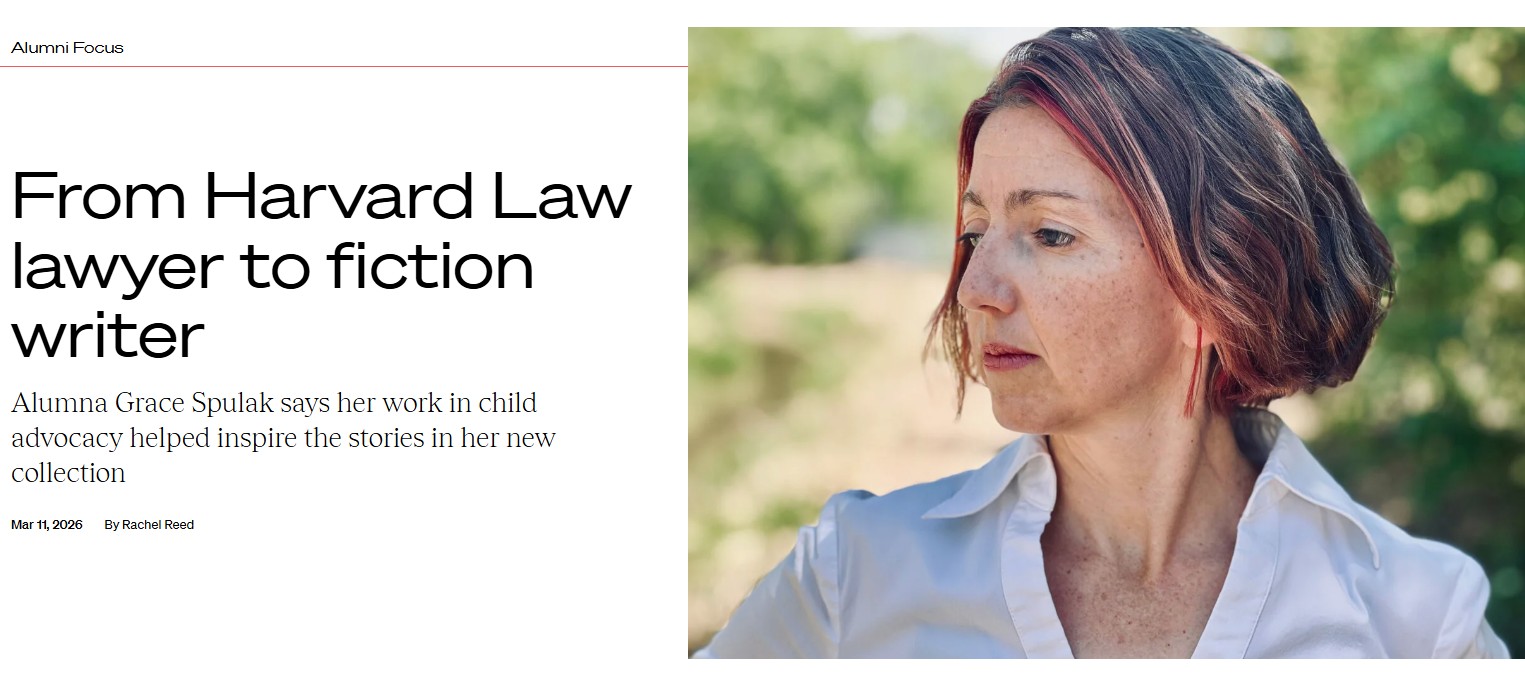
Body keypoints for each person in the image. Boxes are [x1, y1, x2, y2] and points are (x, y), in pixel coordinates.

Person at [693, 28, 1512, 659]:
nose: (976, 288)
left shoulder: (1417, 618)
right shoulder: (854, 577)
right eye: (974, 231)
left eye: (1048, 234)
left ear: (1217, 277)